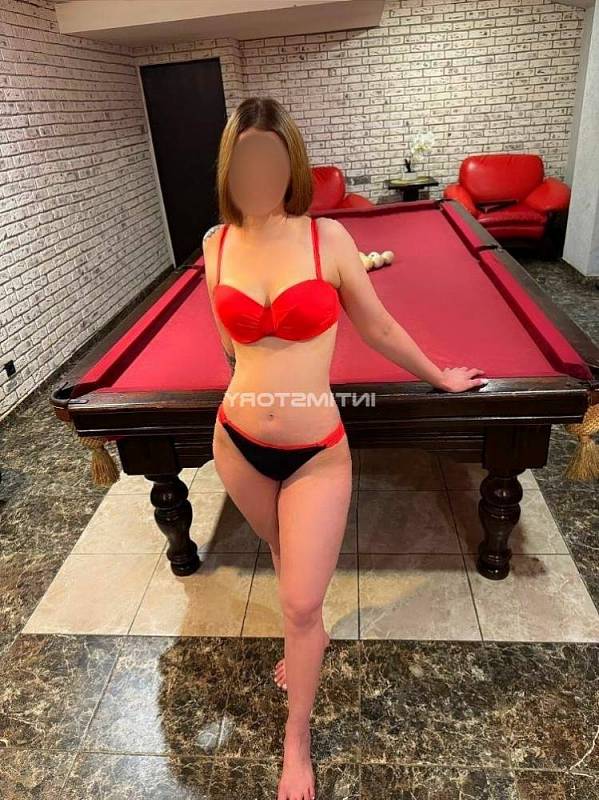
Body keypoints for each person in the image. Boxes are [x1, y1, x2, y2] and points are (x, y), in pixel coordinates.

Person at [202, 96, 487, 800]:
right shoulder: (215, 244)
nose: (257, 175)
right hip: (236, 442)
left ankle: (295, 738)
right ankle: (305, 641)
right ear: (230, 168)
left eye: (270, 161)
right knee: (284, 557)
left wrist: (438, 376)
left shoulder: (325, 238)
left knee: (301, 601)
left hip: (316, 450)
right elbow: (230, 347)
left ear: (290, 165)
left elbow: (378, 327)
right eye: (245, 162)